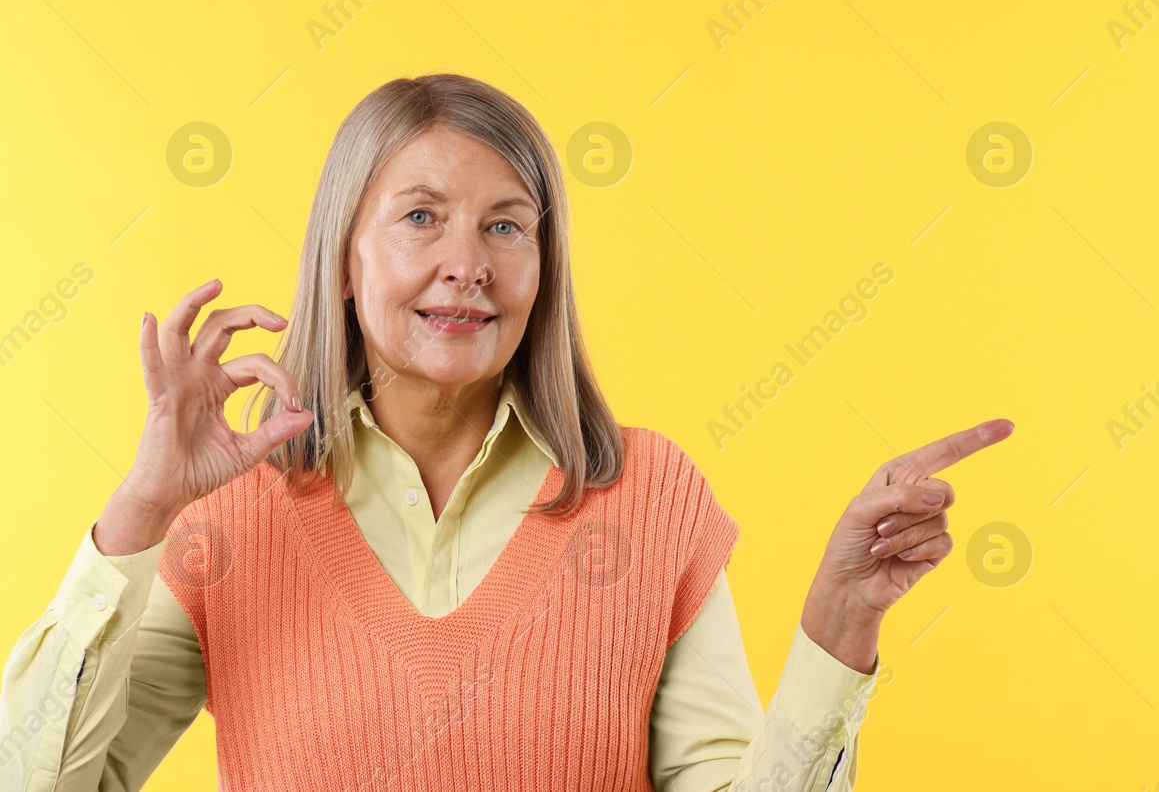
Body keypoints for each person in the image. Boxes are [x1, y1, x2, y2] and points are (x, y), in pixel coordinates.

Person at [0, 73, 1012, 790]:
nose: (467, 263)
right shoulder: (227, 518)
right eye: (420, 217)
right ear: (342, 257)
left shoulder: (649, 496)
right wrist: (141, 510)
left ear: (544, 262)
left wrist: (839, 625)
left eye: (504, 224)